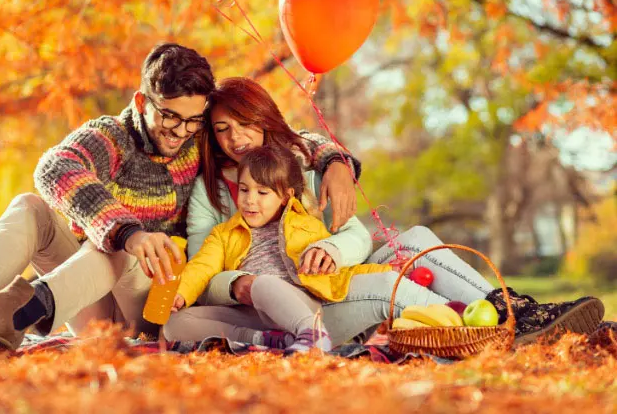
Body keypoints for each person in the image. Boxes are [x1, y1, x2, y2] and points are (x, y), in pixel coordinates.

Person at [0, 44, 358, 350]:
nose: (181, 131)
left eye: (193, 120)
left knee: (127, 249)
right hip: (86, 297)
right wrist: (125, 231)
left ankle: (12, 315)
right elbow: (54, 168)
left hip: (155, 303)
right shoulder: (113, 136)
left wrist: (335, 159)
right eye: (169, 116)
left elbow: (278, 138)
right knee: (31, 208)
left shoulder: (201, 135)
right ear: (141, 101)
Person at [166, 77, 605, 348]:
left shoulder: (301, 165)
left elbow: (355, 235)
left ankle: (515, 311)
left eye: (246, 124)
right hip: (286, 299)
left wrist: (330, 248)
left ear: (265, 120)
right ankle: (497, 325)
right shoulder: (210, 193)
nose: (236, 138)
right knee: (388, 284)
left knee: (413, 238)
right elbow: (206, 266)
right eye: (222, 129)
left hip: (332, 272)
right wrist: (243, 284)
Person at [170, 146, 392, 352]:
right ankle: (268, 340)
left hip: (300, 306)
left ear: (285, 196)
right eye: (244, 190)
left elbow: (341, 273)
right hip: (255, 314)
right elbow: (202, 266)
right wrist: (181, 293)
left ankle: (312, 333)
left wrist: (385, 270)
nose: (249, 200)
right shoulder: (224, 233)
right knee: (174, 325)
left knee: (263, 283)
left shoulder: (304, 225)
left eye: (262, 193)